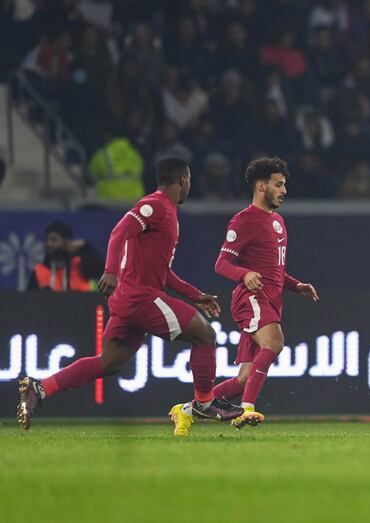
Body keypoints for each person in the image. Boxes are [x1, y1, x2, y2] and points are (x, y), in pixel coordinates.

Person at [17, 158, 244, 431]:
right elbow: (119, 231)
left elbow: (163, 272)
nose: (189, 187)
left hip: (129, 299)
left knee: (108, 362)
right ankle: (204, 403)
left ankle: (39, 388)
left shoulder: (167, 212)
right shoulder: (157, 205)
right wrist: (110, 270)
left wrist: (194, 294)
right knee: (205, 335)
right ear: (183, 180)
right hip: (140, 297)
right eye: (189, 181)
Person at [170, 157, 319, 435]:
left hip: (271, 299)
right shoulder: (244, 220)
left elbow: (273, 270)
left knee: (244, 378)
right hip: (252, 298)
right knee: (274, 342)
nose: (284, 190)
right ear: (261, 186)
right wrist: (244, 274)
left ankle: (187, 410)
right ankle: (246, 410)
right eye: (279, 185)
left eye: (284, 185)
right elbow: (222, 264)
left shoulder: (278, 222)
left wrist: (296, 285)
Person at [27, 221, 103, 292]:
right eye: (47, 240)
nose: (49, 244)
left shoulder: (79, 264)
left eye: (54, 240)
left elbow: (101, 269)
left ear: (66, 242)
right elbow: (29, 300)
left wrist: (85, 246)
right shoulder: (39, 271)